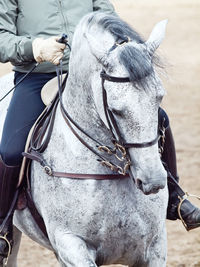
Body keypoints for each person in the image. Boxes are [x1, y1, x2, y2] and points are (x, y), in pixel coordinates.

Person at [0, 0, 199, 260]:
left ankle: (175, 196)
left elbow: (108, 18)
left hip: (96, 72)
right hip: (38, 75)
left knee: (157, 116)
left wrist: (120, 47)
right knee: (11, 149)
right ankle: (4, 226)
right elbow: (2, 38)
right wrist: (35, 48)